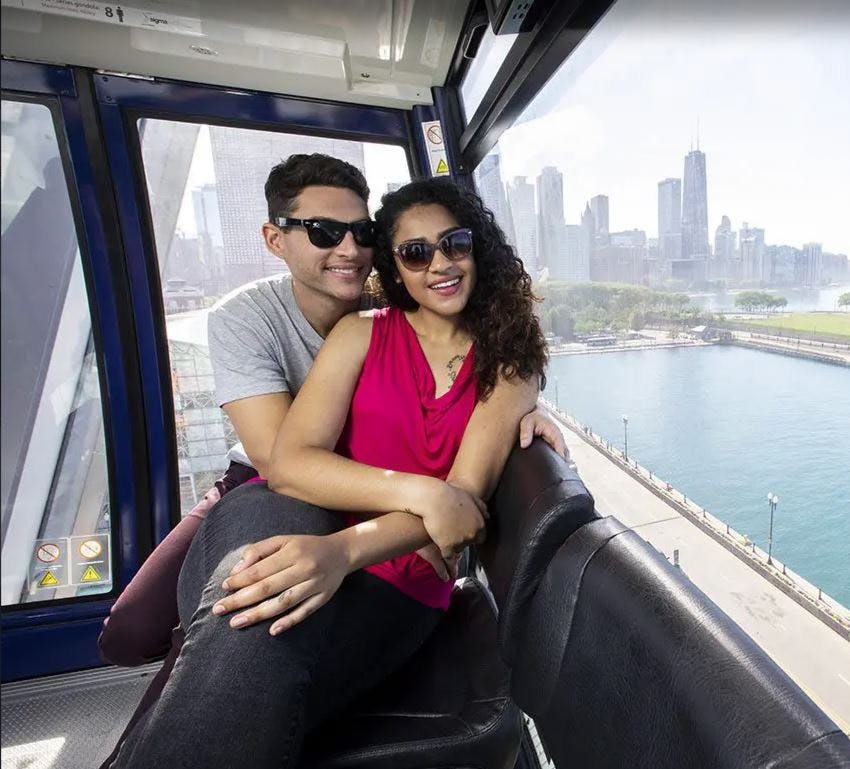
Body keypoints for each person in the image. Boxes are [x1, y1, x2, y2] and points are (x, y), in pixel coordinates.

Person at [98, 155, 564, 766]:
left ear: (478, 248)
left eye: (455, 244)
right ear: (395, 267)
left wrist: (340, 553)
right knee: (237, 624)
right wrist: (420, 497)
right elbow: (288, 464)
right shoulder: (359, 331)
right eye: (415, 252)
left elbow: (462, 505)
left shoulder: (508, 364)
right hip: (280, 505)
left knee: (246, 653)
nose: (441, 264)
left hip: (397, 571)